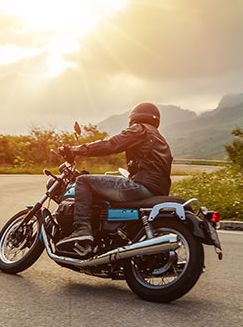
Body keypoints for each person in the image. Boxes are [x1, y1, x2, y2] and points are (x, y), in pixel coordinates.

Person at [56, 102, 173, 254]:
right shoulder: (161, 139)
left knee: (83, 181)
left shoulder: (140, 129)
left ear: (134, 117)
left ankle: (82, 229)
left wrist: (76, 150)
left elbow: (111, 145)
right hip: (157, 189)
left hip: (141, 186)